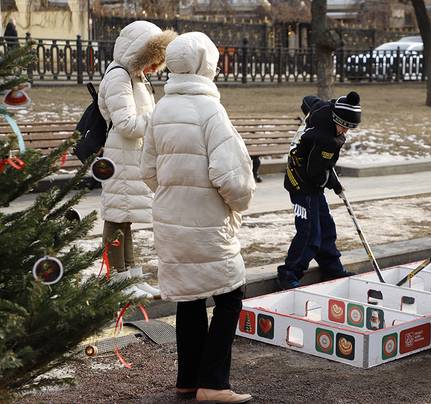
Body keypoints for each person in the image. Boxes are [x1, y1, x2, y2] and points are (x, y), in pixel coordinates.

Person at [141, 32, 256, 402]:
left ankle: (187, 380)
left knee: (189, 298)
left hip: (171, 222)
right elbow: (232, 177)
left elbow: (148, 170)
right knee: (230, 296)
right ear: (206, 65)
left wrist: (175, 192)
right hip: (208, 223)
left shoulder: (162, 108)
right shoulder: (211, 111)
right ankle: (214, 384)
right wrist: (238, 203)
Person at [98, 21, 175, 299]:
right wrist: (161, 116)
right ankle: (117, 280)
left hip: (131, 156)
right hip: (120, 156)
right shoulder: (119, 76)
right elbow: (127, 124)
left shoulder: (135, 77)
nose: (155, 67)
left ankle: (130, 275)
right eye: (152, 60)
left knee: (126, 217)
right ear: (138, 53)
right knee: (116, 216)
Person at [276, 91, 361, 290]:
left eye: (350, 128)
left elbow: (307, 100)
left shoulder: (324, 108)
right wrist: (331, 181)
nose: (344, 132)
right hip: (300, 183)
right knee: (309, 234)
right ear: (336, 119)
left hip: (312, 181)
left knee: (326, 227)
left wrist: (333, 182)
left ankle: (332, 268)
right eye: (343, 126)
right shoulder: (327, 140)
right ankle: (288, 274)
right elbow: (316, 172)